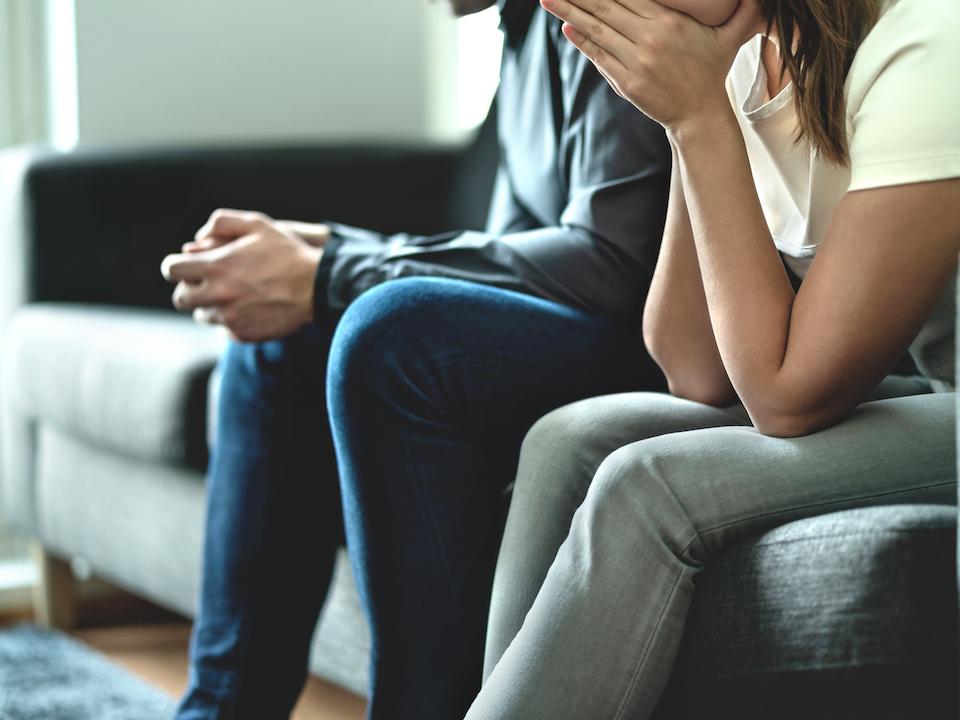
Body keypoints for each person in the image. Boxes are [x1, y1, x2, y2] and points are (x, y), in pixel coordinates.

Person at [160, 0, 672, 717]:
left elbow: (612, 262)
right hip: (594, 326)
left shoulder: (602, 11)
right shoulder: (522, 29)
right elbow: (517, 249)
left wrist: (336, 270)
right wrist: (326, 257)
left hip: (673, 351)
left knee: (385, 329)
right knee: (282, 330)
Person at [467, 0, 960, 717]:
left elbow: (787, 398)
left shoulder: (928, 44)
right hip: (936, 389)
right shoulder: (751, 56)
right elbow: (693, 367)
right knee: (568, 439)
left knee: (650, 486)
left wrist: (701, 120)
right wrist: (686, 119)